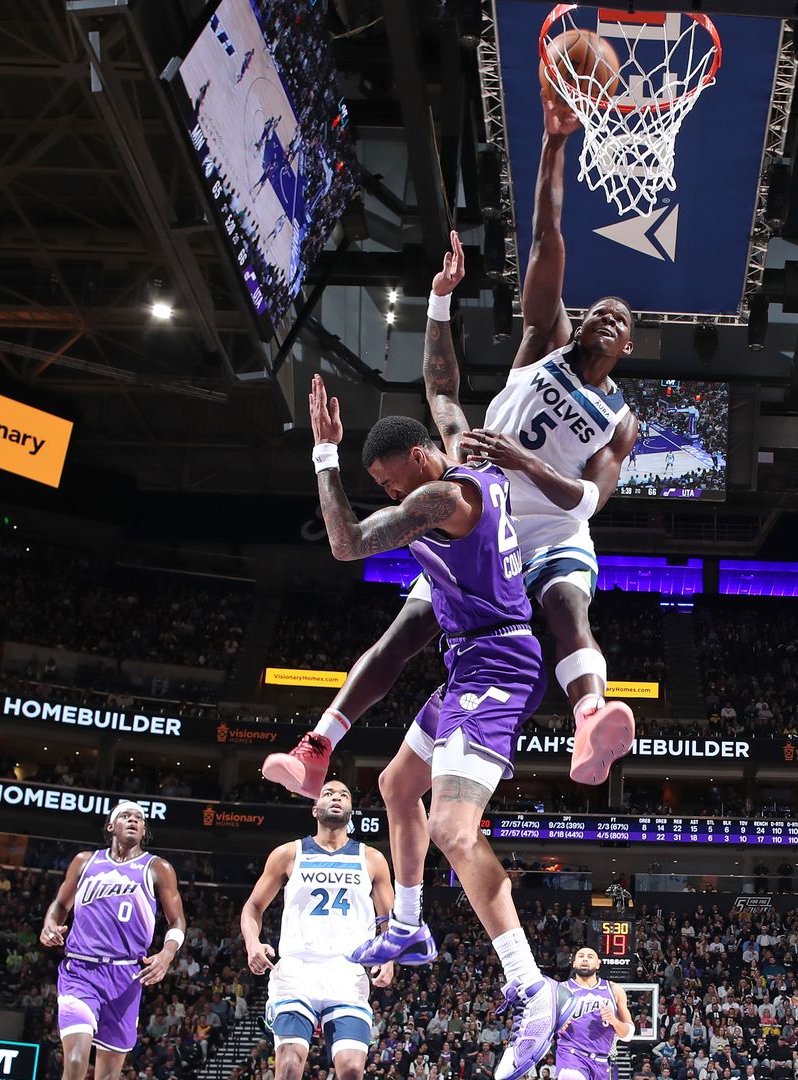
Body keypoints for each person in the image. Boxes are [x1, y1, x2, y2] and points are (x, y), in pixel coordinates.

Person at [268, 91, 642, 795]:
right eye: (596, 310)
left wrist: (524, 461)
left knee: (566, 607)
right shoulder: (543, 345)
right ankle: (318, 745)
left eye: (619, 318)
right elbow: (546, 239)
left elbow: (591, 499)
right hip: (480, 513)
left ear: (630, 341)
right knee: (406, 629)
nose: (604, 317)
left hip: (548, 525)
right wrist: (555, 146)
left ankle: (589, 717)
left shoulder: (620, 419)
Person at [294, 375, 569, 1080]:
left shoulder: (444, 497)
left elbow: (346, 544)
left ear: (418, 460)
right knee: (395, 784)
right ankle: (409, 926)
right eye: (382, 486)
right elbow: (443, 387)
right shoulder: (457, 455)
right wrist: (441, 304)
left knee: (453, 829)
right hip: (468, 662)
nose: (391, 496)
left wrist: (327, 454)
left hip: (499, 666)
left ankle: (534, 988)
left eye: (389, 482)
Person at [241, 781, 396, 1080]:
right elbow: (253, 907)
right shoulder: (289, 853)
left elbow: (388, 919)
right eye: (328, 793)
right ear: (315, 809)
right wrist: (252, 943)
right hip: (298, 969)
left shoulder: (372, 859)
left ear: (352, 811)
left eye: (344, 795)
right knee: (288, 1065)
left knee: (351, 1070)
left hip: (347, 972)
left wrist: (389, 958)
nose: (336, 797)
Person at [39, 802, 188, 1080]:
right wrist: (49, 924)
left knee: (107, 1075)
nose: (133, 820)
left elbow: (177, 921)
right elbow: (60, 904)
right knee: (74, 1059)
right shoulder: (85, 861)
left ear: (144, 830)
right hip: (80, 971)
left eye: (139, 818)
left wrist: (167, 954)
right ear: (111, 826)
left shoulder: (157, 867)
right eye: (125, 816)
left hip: (126, 977)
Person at [554, 948, 634, 1080]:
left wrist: (614, 1020)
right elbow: (543, 1025)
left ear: (598, 964)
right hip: (571, 1054)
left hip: (601, 1061)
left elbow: (628, 1035)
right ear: (574, 963)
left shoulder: (614, 989)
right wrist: (556, 1026)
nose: (585, 959)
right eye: (581, 956)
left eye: (590, 956)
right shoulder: (560, 990)